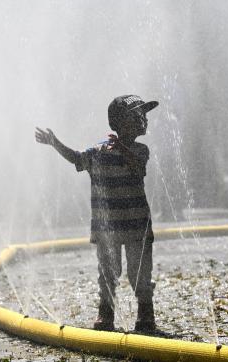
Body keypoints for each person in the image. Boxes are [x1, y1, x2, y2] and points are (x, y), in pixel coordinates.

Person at [35, 95, 159, 332]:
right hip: (107, 228)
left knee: (140, 273)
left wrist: (121, 147)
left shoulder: (141, 150)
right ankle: (106, 313)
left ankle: (145, 314)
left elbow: (137, 166)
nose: (144, 120)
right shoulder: (98, 152)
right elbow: (76, 158)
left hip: (137, 226)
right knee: (108, 273)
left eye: (144, 115)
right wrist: (55, 142)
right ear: (122, 122)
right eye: (138, 115)